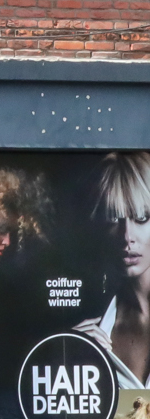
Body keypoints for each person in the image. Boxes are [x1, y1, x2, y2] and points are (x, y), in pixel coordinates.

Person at [79, 152, 150, 389]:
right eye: (114, 218)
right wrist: (68, 351)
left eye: (142, 217)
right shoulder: (95, 324)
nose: (127, 236)